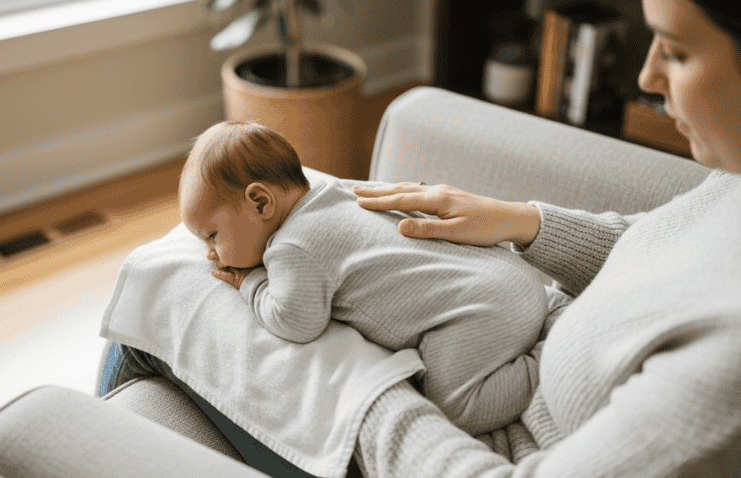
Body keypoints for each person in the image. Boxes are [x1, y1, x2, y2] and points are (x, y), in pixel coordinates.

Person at [345, 0, 741, 476]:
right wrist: (523, 223)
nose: (647, 77)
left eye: (676, 51)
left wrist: (360, 389)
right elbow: (671, 253)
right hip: (499, 383)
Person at [177, 119, 553, 436]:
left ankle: (545, 361)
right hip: (513, 275)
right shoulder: (337, 188)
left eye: (212, 235)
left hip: (478, 314)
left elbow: (295, 321)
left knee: (456, 409)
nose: (210, 253)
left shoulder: (292, 247)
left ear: (260, 202)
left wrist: (252, 283)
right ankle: (544, 328)